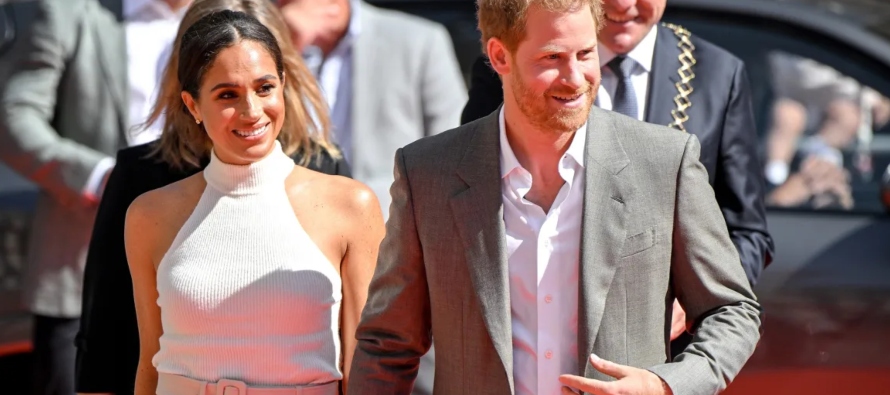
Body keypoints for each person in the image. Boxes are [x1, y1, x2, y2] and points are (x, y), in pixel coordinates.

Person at [348, 0, 761, 394]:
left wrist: (668, 384)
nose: (576, 78)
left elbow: (732, 311)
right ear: (500, 56)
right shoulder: (428, 173)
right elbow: (388, 343)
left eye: (585, 53)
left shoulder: (665, 161)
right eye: (552, 58)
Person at [460, 0, 773, 355]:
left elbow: (747, 230)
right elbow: (473, 195)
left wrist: (695, 298)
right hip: (534, 339)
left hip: (660, 353)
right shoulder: (517, 66)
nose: (624, 4)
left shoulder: (717, 73)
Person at [73, 1, 353, 394]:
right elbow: (105, 331)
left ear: (280, 71)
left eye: (262, 82)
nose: (248, 107)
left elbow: (358, 344)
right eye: (224, 88)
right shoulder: (143, 180)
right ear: (189, 86)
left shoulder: (327, 172)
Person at [0, 0, 189, 393]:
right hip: (84, 274)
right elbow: (14, 117)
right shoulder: (69, 10)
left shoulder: (235, 11)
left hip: (202, 281)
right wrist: (101, 178)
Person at [278, 0, 467, 216]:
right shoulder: (272, 41)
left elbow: (454, 149)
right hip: (298, 222)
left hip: (392, 227)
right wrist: (285, 46)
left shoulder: (418, 40)